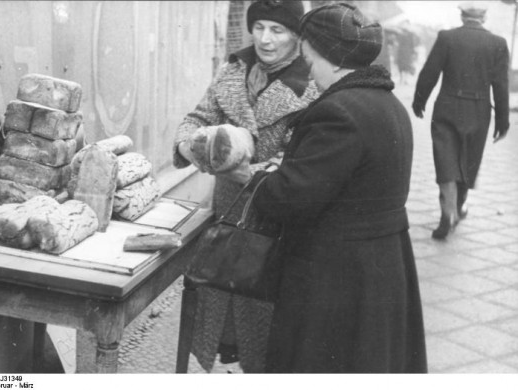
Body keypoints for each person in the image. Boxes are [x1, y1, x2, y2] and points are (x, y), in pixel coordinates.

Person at [227, 2, 427, 373]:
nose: (310, 72)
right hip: (383, 264)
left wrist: (249, 176)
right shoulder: (388, 104)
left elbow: (289, 198)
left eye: (311, 60)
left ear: (335, 61)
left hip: (335, 275)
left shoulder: (338, 111)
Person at [172, 0, 318, 373]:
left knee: (267, 336)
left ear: (297, 35)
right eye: (259, 27)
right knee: (225, 318)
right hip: (226, 215)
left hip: (273, 222)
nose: (265, 40)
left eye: (277, 30)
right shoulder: (234, 69)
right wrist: (192, 146)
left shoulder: (313, 86)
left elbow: (298, 163)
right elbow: (196, 119)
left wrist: (243, 170)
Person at [412, 2, 510, 240]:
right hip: (478, 110)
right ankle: (459, 205)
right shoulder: (498, 44)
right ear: (484, 17)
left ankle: (448, 212)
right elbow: (500, 85)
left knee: (445, 158)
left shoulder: (447, 37)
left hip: (447, 106)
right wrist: (503, 120)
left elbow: (430, 71)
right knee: (468, 160)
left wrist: (419, 100)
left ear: (463, 15)